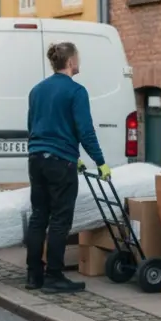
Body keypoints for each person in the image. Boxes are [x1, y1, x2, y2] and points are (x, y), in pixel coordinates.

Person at [24, 41, 110, 293]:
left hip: (36, 158)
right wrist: (100, 162)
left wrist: (75, 156)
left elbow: (34, 126)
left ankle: (33, 275)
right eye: (78, 58)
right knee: (60, 219)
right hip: (61, 162)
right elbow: (85, 130)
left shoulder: (36, 90)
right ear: (71, 62)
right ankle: (54, 276)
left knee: (39, 216)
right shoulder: (76, 91)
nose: (79, 62)